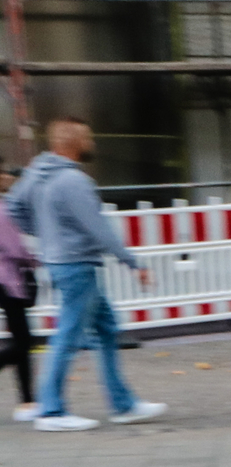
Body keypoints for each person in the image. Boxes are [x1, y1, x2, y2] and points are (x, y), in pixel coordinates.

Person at [8, 117, 162, 432]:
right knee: (68, 335)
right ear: (75, 143)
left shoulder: (36, 175)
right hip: (77, 264)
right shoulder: (74, 182)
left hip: (60, 261)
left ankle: (123, 404)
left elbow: (13, 209)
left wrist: (46, 234)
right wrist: (133, 262)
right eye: (88, 138)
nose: (92, 143)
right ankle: (52, 411)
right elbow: (100, 230)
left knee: (105, 328)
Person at [0, 168, 36, 422]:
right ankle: (27, 400)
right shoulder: (1, 211)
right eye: (2, 173)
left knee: (21, 339)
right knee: (23, 340)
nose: (7, 177)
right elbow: (15, 248)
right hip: (7, 280)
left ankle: (28, 400)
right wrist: (36, 260)